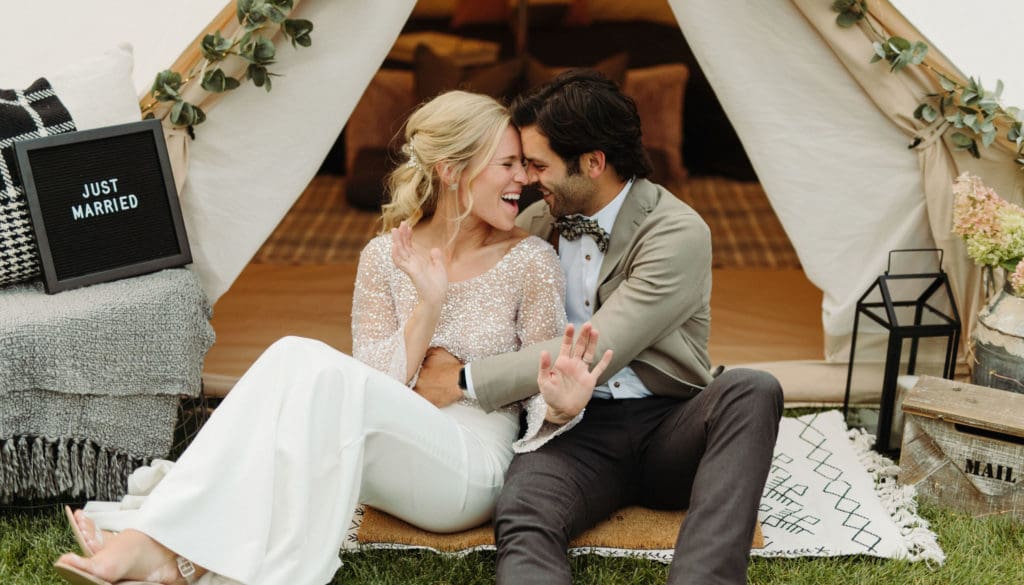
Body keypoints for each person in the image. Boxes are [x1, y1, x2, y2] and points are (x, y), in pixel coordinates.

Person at [53, 90, 611, 585]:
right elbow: (372, 384)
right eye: (507, 164)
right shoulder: (384, 258)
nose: (524, 179)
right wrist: (429, 306)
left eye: (524, 165)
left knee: (300, 362)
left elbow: (540, 391)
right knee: (296, 375)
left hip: (470, 467)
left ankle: (155, 542)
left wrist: (560, 408)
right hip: (388, 449)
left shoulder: (532, 261)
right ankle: (174, 557)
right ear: (451, 170)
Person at [414, 70, 785, 585]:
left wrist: (463, 380)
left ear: (593, 162)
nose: (525, 180)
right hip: (573, 428)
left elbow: (598, 344)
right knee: (521, 511)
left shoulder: (676, 231)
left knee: (752, 389)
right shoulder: (539, 223)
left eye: (538, 165)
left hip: (667, 427)